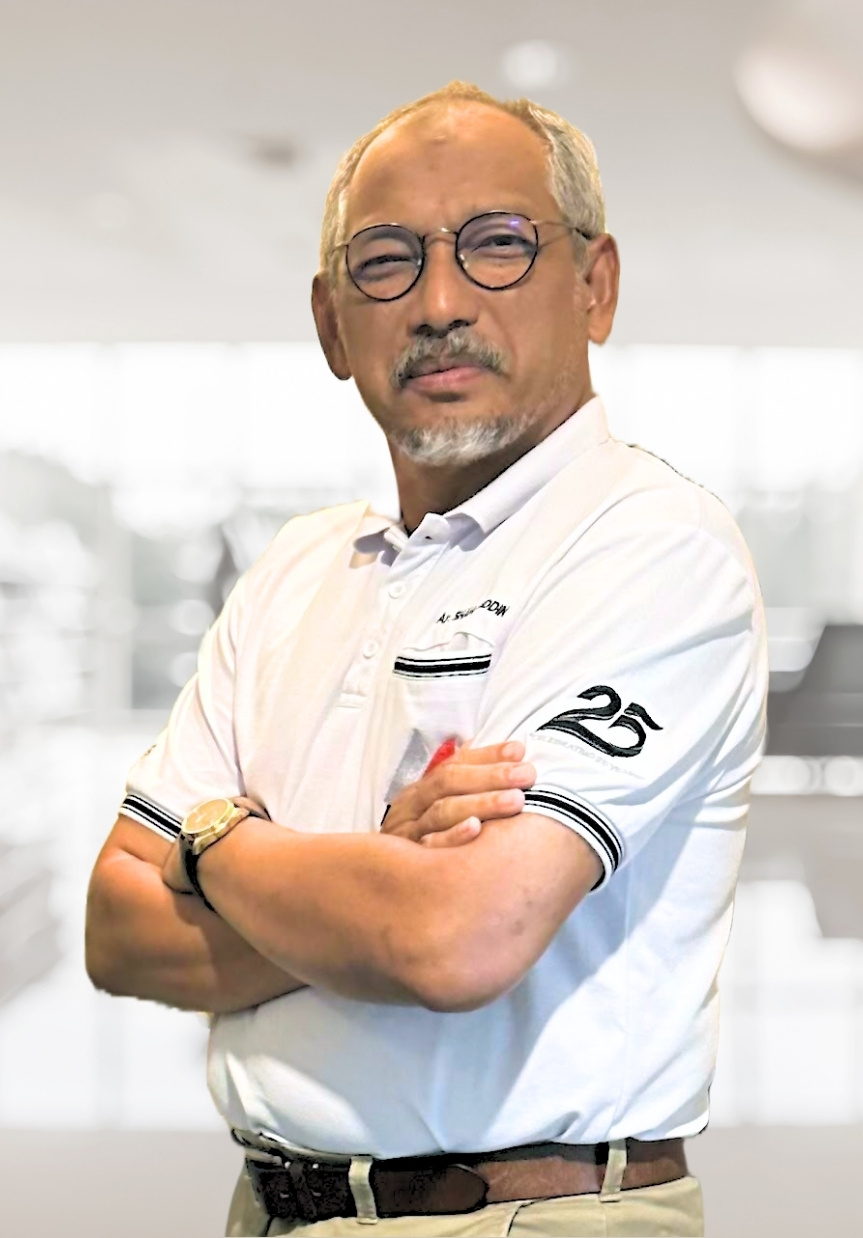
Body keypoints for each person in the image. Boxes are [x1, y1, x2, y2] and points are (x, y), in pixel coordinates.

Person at [85, 81, 767, 1238]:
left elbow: (458, 937)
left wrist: (211, 840)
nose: (439, 302)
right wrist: (375, 871)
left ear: (593, 284)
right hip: (270, 1208)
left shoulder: (648, 543)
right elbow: (119, 929)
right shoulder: (297, 571)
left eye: (497, 244)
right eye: (385, 261)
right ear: (330, 323)